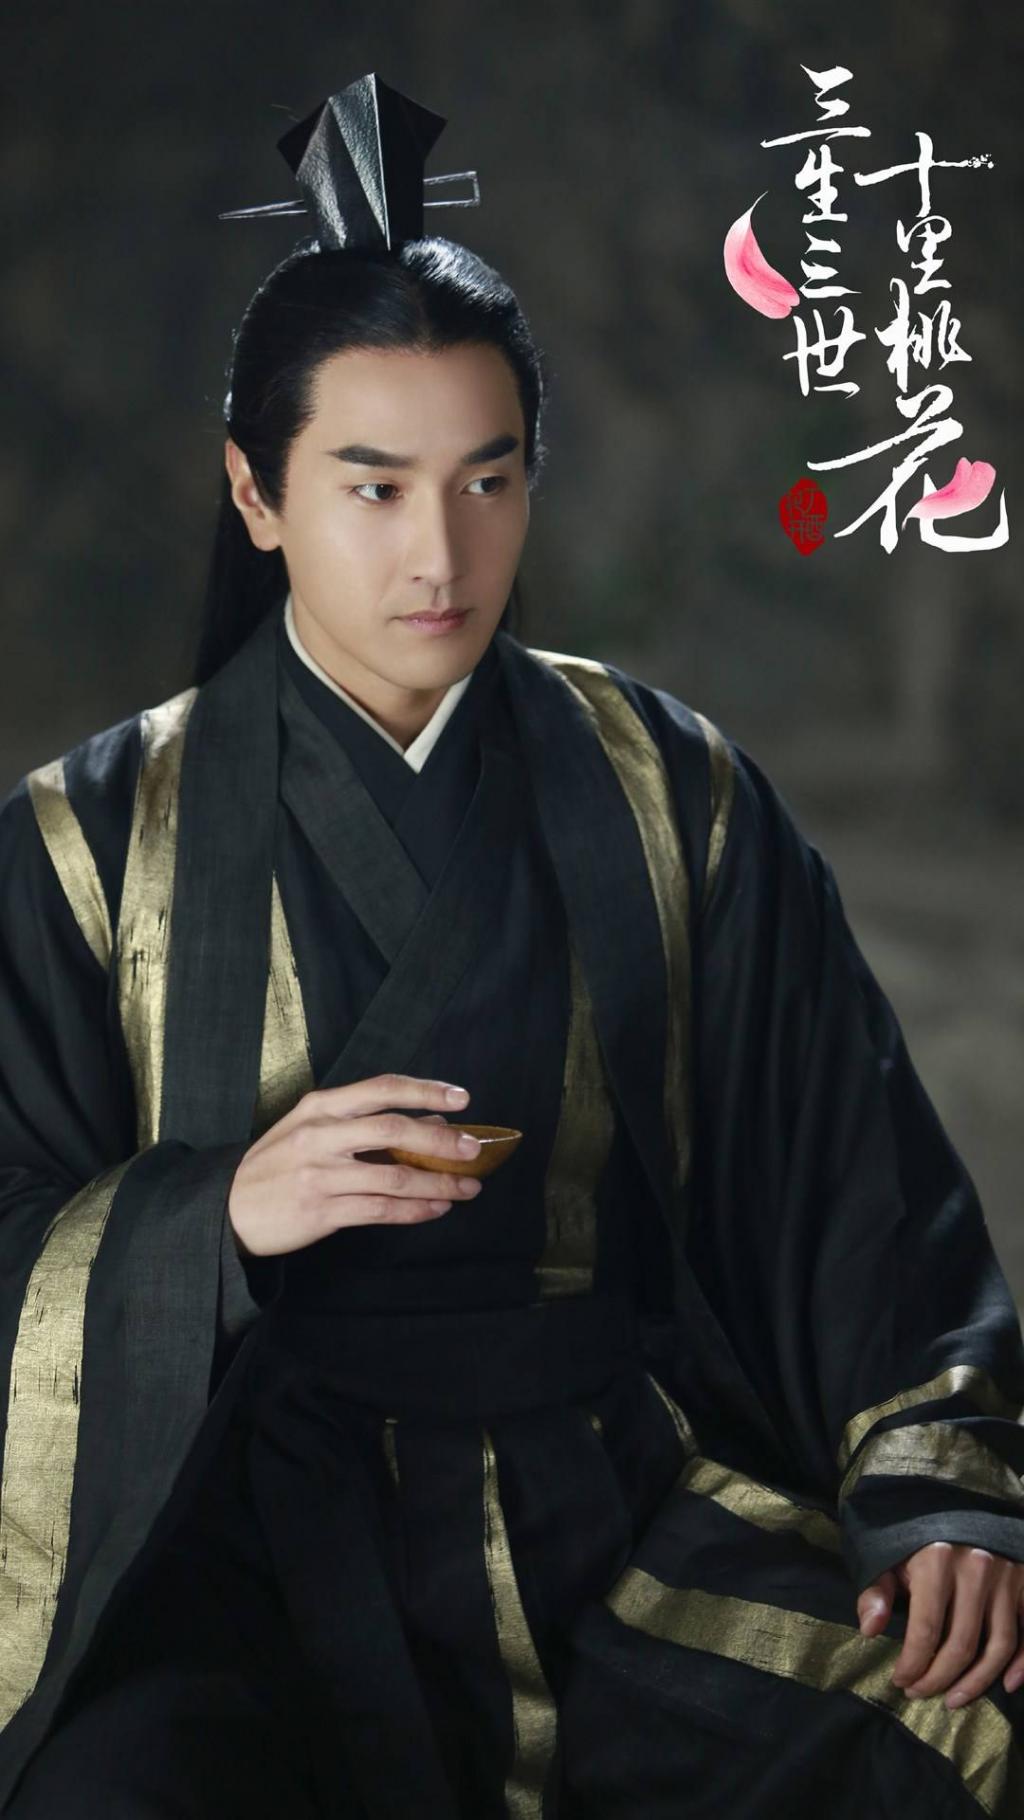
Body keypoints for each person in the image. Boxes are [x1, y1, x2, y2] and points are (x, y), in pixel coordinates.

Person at [2, 71, 1024, 1820]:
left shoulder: (672, 792)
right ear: (256, 493)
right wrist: (211, 1219)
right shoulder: (89, 845)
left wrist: (945, 1500)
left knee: (961, 1735)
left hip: (609, 1503)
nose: (441, 552)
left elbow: (849, 1184)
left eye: (489, 479)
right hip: (234, 1537)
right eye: (374, 487)